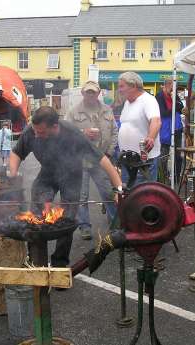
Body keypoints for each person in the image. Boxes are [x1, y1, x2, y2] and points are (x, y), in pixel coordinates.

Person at [9, 106, 122, 267]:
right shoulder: (32, 130)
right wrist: (13, 175)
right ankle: (34, 259)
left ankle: (59, 263)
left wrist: (118, 189)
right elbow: (16, 153)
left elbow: (103, 160)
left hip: (71, 176)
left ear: (55, 127)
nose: (36, 135)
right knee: (36, 212)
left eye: (40, 132)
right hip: (47, 174)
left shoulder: (73, 134)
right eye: (35, 131)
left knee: (67, 219)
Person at [66, 81, 118, 240]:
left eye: (93, 92)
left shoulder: (107, 110)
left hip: (101, 159)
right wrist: (83, 132)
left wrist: (108, 154)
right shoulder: (74, 112)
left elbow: (114, 132)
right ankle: (84, 226)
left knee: (108, 192)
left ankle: (116, 224)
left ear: (98, 93)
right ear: (83, 93)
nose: (90, 95)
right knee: (82, 196)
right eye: (88, 92)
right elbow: (65, 134)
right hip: (79, 160)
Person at [117, 71, 161, 185]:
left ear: (133, 86)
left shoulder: (148, 100)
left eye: (122, 86)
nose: (119, 90)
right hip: (128, 160)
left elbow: (156, 121)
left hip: (144, 162)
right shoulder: (127, 103)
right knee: (130, 196)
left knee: (144, 198)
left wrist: (151, 137)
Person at [155, 79, 184, 183]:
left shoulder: (174, 95)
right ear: (166, 85)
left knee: (178, 154)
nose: (174, 90)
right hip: (165, 129)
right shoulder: (159, 96)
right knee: (164, 154)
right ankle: (162, 178)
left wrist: (174, 101)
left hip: (176, 127)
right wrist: (174, 107)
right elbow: (162, 113)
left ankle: (177, 177)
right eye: (172, 87)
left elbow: (181, 107)